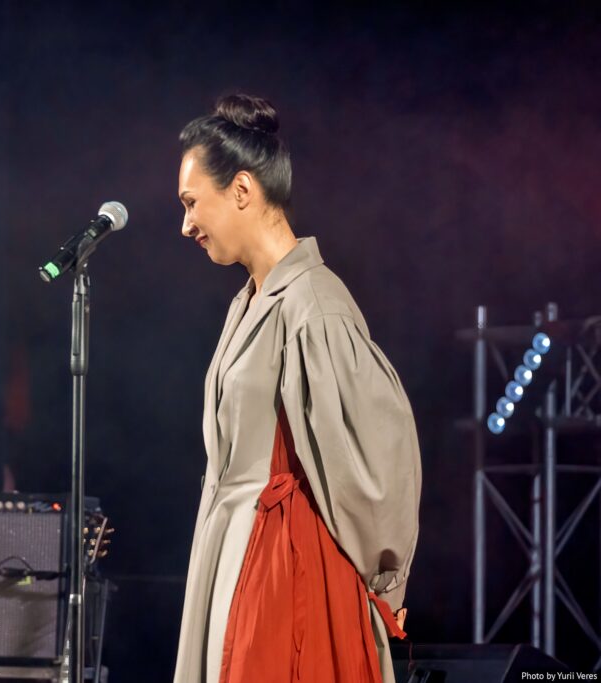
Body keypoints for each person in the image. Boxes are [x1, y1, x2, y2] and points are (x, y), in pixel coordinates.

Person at [172, 96, 421, 683]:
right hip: (233, 556)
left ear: (241, 189)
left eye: (191, 203)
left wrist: (386, 581)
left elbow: (375, 466)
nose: (186, 225)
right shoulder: (249, 302)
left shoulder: (315, 306)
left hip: (285, 573)